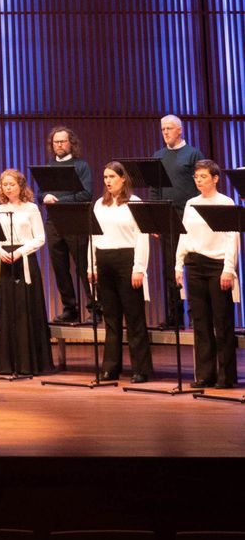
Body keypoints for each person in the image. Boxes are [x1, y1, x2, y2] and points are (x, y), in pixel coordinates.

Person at [175, 160, 239, 389]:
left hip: (218, 265)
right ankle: (205, 374)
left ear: (215, 178)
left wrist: (228, 269)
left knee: (222, 322)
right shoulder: (191, 204)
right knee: (201, 323)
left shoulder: (226, 202)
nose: (199, 180)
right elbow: (185, 235)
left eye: (203, 176)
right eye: (196, 177)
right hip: (195, 264)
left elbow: (232, 237)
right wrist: (177, 265)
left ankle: (226, 376)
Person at [89, 162, 153, 384]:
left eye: (112, 177)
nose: (107, 181)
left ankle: (141, 369)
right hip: (104, 260)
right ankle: (110, 368)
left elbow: (142, 237)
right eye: (105, 177)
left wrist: (139, 268)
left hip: (127, 261)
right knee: (111, 318)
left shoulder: (134, 203)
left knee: (134, 318)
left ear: (123, 179)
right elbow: (94, 237)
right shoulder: (100, 204)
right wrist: (91, 266)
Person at [0, 169, 53, 376]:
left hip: (23, 259)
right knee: (6, 310)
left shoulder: (31, 208)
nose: (8, 188)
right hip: (4, 259)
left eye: (12, 184)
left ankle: (29, 363)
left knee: (25, 310)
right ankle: (7, 364)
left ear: (20, 186)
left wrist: (20, 252)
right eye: (4, 185)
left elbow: (39, 238)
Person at [36, 125, 94, 324]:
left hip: (75, 221)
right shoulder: (49, 166)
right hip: (53, 222)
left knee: (83, 266)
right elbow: (39, 194)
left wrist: (61, 201)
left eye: (62, 141)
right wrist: (46, 196)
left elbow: (86, 194)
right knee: (59, 267)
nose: (59, 145)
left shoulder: (81, 166)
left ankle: (95, 309)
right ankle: (70, 309)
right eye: (56, 142)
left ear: (71, 143)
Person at [152, 114, 204, 328]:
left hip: (190, 216)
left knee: (192, 265)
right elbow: (154, 188)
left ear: (180, 130)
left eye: (169, 128)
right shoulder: (159, 155)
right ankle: (174, 317)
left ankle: (196, 315)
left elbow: (202, 183)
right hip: (167, 217)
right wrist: (155, 219)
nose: (165, 132)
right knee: (169, 267)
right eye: (163, 129)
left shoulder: (192, 154)